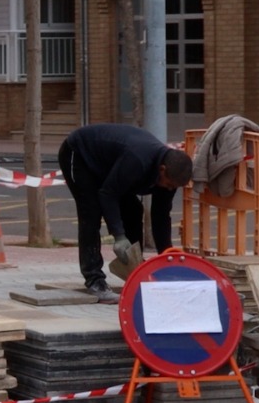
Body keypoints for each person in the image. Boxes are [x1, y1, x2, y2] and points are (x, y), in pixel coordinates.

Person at [57, 123, 194, 303]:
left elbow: (161, 216)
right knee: (91, 213)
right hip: (80, 153)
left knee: (133, 211)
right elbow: (108, 194)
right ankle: (94, 281)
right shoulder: (138, 160)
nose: (169, 189)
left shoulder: (171, 175)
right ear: (162, 170)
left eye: (173, 187)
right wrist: (119, 236)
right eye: (168, 185)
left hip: (110, 166)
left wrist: (166, 255)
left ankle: (135, 270)